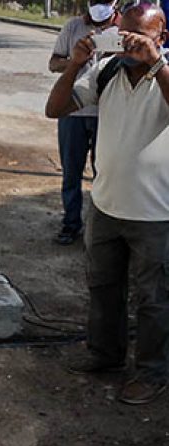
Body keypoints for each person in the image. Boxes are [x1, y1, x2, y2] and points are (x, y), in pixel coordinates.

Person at [45, 2, 169, 404]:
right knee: (103, 287)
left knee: (153, 299)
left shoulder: (166, 74)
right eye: (124, 34)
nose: (128, 43)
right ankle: (104, 353)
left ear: (161, 38)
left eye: (139, 36)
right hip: (106, 206)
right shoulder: (107, 71)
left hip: (156, 213)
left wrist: (157, 65)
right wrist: (75, 64)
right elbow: (55, 109)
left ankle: (152, 372)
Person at [48, 0, 119, 245]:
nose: (100, 5)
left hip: (108, 114)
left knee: (105, 174)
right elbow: (53, 63)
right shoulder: (74, 27)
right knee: (71, 173)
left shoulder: (123, 31)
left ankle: (101, 230)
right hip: (73, 112)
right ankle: (70, 224)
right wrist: (77, 60)